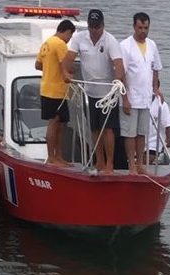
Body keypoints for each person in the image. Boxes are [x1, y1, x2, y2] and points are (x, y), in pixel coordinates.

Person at [63, 9, 124, 174]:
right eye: (91, 26)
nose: (94, 30)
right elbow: (68, 60)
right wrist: (66, 73)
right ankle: (100, 161)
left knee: (108, 129)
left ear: (103, 25)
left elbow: (119, 66)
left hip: (108, 95)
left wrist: (118, 80)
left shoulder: (110, 40)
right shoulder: (79, 38)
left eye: (97, 26)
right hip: (89, 92)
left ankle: (110, 163)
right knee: (94, 129)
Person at [120, 12, 162, 174]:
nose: (143, 31)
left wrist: (155, 89)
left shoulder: (152, 45)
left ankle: (140, 164)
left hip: (146, 98)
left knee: (141, 132)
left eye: (146, 28)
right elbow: (121, 74)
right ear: (134, 27)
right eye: (140, 27)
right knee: (130, 133)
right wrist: (125, 98)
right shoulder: (125, 46)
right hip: (130, 97)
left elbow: (156, 68)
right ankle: (131, 165)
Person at [35, 19, 76, 167]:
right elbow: (65, 66)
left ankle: (58, 156)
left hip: (46, 88)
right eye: (70, 36)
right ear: (66, 32)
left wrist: (50, 70)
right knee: (54, 123)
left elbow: (38, 64)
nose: (69, 39)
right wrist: (68, 74)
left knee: (61, 123)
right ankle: (52, 157)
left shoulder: (46, 43)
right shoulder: (60, 44)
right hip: (56, 91)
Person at [147, 80, 170, 164]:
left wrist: (168, 139)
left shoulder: (162, 104)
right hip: (136, 140)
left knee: (148, 158)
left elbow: (168, 124)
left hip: (153, 143)